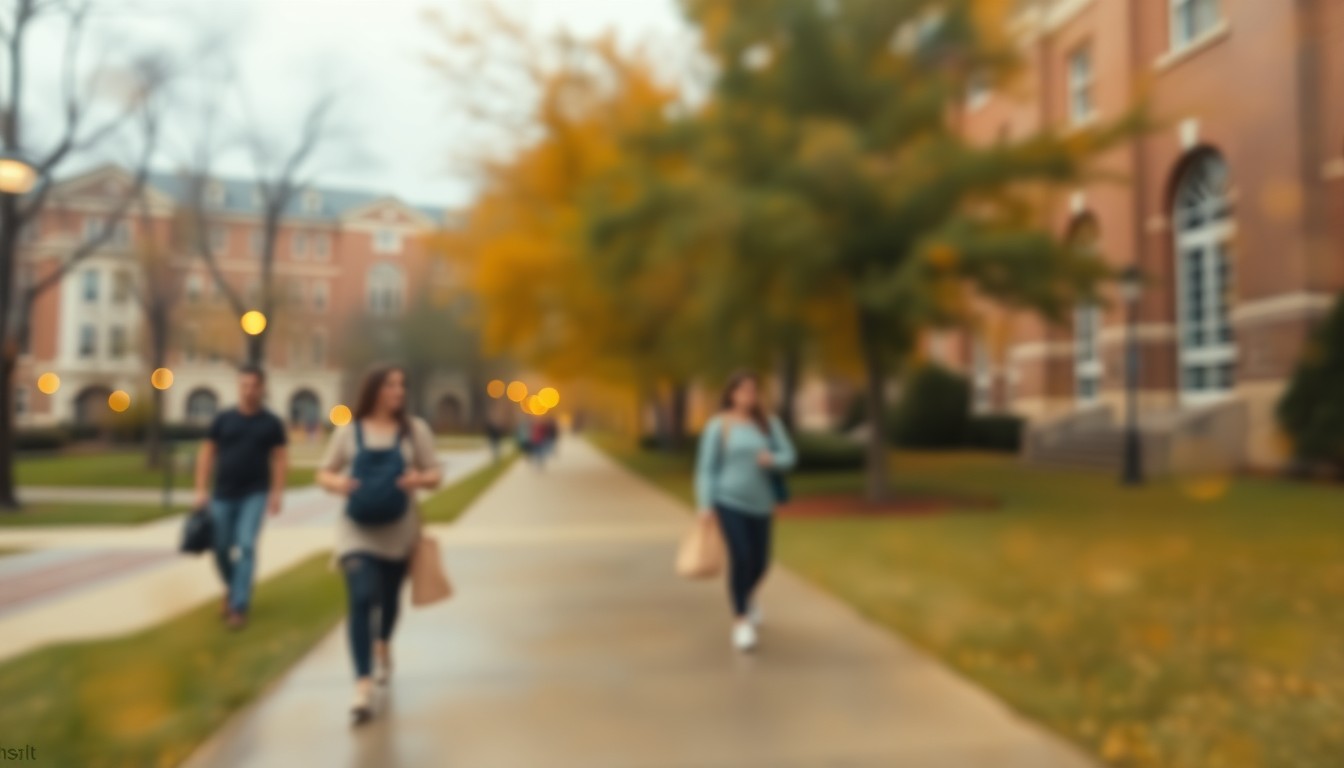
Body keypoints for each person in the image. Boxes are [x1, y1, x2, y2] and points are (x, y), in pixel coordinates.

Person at [317, 365, 442, 724]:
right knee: (360, 597)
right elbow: (324, 471)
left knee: (387, 602)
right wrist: (336, 484)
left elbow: (436, 473)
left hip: (399, 532)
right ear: (373, 389)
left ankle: (383, 644)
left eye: (402, 385)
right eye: (391, 385)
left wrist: (420, 479)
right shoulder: (348, 431)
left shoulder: (414, 431)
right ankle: (363, 685)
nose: (398, 391)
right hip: (355, 531)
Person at [694, 370, 796, 652]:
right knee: (741, 555)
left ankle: (747, 596)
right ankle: (741, 622)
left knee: (761, 562)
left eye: (753, 390)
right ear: (731, 394)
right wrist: (705, 505)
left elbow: (790, 456)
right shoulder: (719, 425)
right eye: (743, 390)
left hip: (762, 504)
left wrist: (772, 459)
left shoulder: (768, 424)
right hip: (728, 502)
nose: (749, 396)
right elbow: (706, 469)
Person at [193, 365, 289, 631]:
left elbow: (280, 460)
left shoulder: (271, 423)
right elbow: (207, 454)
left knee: (246, 546)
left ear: (262, 388)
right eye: (244, 385)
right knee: (221, 548)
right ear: (238, 387)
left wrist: (277, 493)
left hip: (255, 494)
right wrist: (200, 490)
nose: (248, 391)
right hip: (222, 494)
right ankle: (233, 587)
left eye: (253, 386)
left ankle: (238, 607)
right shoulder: (224, 419)